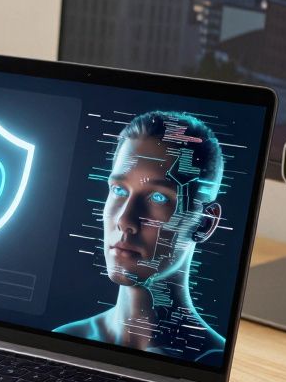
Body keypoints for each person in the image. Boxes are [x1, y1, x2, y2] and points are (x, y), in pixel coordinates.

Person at [54, 111, 227, 363]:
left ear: (205, 222)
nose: (125, 221)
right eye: (119, 190)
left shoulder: (211, 360)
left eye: (158, 197)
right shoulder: (64, 342)